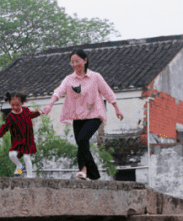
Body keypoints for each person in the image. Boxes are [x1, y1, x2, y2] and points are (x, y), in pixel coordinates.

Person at [41, 48, 123, 179]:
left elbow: (107, 92)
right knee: (81, 144)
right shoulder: (69, 79)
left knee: (82, 139)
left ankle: (85, 171)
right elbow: (58, 91)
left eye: (77, 61)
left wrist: (116, 108)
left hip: (94, 115)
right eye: (72, 62)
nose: (75, 65)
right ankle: (92, 174)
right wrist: (49, 105)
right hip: (78, 117)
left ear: (85, 61)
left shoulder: (95, 77)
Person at [0, 92, 41, 178]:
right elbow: (5, 126)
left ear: (22, 103)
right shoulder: (11, 116)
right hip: (17, 141)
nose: (15, 107)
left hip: (27, 140)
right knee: (12, 154)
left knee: (26, 157)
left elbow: (32, 114)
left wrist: (41, 112)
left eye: (17, 105)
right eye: (13, 105)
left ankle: (29, 176)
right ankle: (19, 166)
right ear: (10, 104)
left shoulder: (26, 110)